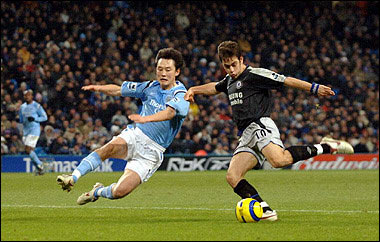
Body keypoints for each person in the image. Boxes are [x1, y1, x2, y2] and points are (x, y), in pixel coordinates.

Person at [184, 40, 354, 221]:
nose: (231, 70)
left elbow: (285, 80)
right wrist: (194, 89)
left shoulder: (254, 74)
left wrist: (314, 88)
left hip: (260, 124)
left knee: (278, 160)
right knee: (233, 176)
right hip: (246, 134)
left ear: (241, 59)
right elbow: (214, 87)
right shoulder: (229, 81)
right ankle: (264, 210)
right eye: (227, 66)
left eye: (234, 64)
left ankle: (326, 147)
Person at [56, 48, 189, 205]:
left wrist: (145, 119)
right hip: (136, 135)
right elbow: (120, 90)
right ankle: (73, 177)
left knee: (119, 192)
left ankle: (97, 191)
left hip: (152, 152)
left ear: (177, 71)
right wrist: (98, 88)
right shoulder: (150, 87)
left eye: (168, 70)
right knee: (107, 149)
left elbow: (169, 113)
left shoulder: (181, 94)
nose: (163, 73)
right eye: (160, 69)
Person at [19, 89, 48, 175]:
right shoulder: (22, 107)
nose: (27, 96)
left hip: (34, 129)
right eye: (25, 95)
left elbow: (44, 117)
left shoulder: (37, 106)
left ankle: (40, 165)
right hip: (26, 131)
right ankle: (39, 169)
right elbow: (21, 119)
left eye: (29, 95)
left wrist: (35, 119)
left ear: (32, 96)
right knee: (29, 151)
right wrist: (19, 120)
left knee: (28, 149)